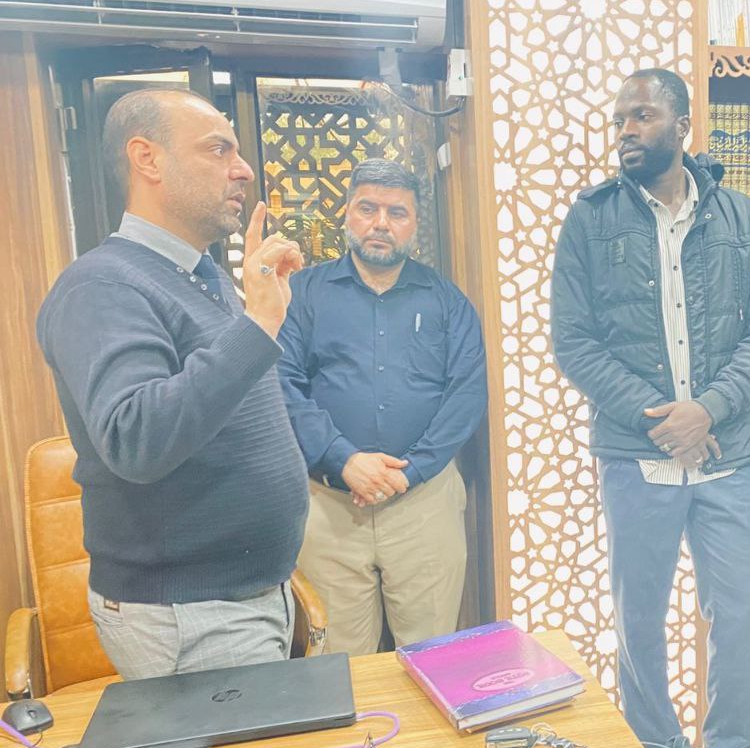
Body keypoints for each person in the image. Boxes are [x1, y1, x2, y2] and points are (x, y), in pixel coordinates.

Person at [550, 69, 750, 748]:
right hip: (636, 456)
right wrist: (661, 420)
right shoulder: (590, 219)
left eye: (642, 116)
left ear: (682, 126)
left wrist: (708, 411)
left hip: (725, 454)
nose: (625, 130)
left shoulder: (739, 216)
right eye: (619, 118)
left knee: (740, 616)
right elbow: (574, 342)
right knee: (639, 619)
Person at [36, 89, 308, 680]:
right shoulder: (103, 287)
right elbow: (137, 438)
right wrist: (259, 324)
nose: (243, 169)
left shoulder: (201, 275)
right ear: (147, 159)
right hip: (194, 612)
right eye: (218, 149)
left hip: (245, 596)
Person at [277, 158, 486, 655]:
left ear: (415, 224)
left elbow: (466, 394)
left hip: (424, 503)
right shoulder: (304, 294)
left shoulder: (446, 301)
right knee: (338, 662)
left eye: (397, 212)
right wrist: (343, 459)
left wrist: (408, 473)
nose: (380, 223)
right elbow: (282, 384)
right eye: (367, 208)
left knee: (432, 656)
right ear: (347, 214)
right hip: (328, 505)